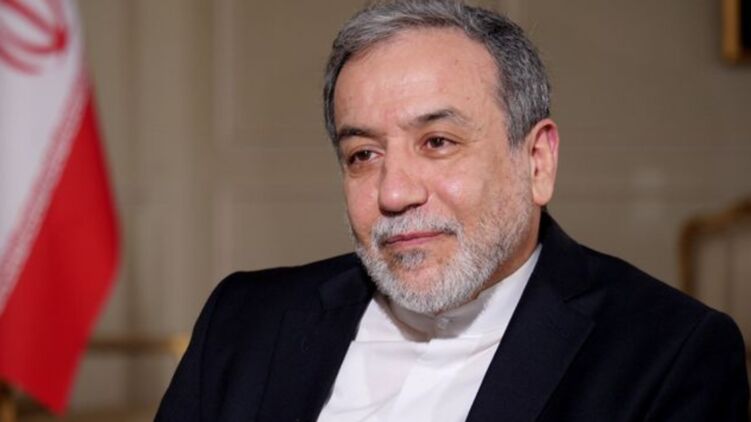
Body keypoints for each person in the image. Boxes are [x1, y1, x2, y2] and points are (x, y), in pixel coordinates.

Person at [156, 1, 750, 420]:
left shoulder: (666, 355)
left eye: (437, 142)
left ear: (537, 161)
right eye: (363, 154)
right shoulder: (244, 322)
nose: (394, 193)